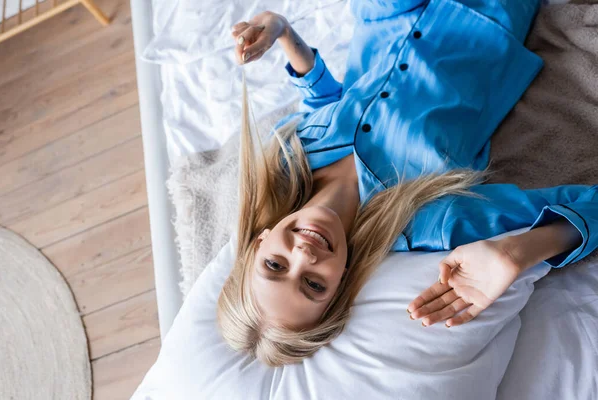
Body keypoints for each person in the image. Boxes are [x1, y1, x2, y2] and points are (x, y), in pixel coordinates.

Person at [217, 0, 598, 367]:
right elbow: (589, 207)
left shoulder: (285, 166)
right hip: (481, 15)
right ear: (341, 284)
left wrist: (283, 32)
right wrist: (517, 252)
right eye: (314, 285)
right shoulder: (427, 221)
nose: (304, 255)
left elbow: (329, 105)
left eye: (275, 264)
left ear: (258, 241)